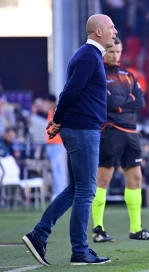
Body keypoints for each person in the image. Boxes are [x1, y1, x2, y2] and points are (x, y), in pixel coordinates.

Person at [22, 14, 117, 266]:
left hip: (80, 127)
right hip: (83, 129)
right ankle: (80, 251)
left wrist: (59, 121)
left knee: (75, 189)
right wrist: (56, 120)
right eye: (110, 27)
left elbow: (73, 90)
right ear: (98, 32)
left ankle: (39, 234)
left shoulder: (86, 55)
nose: (114, 31)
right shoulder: (88, 56)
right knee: (86, 190)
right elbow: (70, 91)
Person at [91, 36, 149, 242]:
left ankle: (136, 228)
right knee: (104, 179)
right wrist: (124, 102)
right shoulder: (98, 74)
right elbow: (108, 101)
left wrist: (121, 103)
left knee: (136, 179)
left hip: (131, 132)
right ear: (105, 52)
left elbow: (140, 101)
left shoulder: (128, 75)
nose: (116, 55)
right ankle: (98, 229)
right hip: (110, 130)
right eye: (112, 52)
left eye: (119, 52)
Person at [44, 94, 68, 201]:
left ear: (50, 101)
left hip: (57, 144)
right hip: (52, 144)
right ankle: (58, 191)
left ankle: (60, 193)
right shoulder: (50, 112)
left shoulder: (56, 110)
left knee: (59, 169)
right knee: (55, 170)